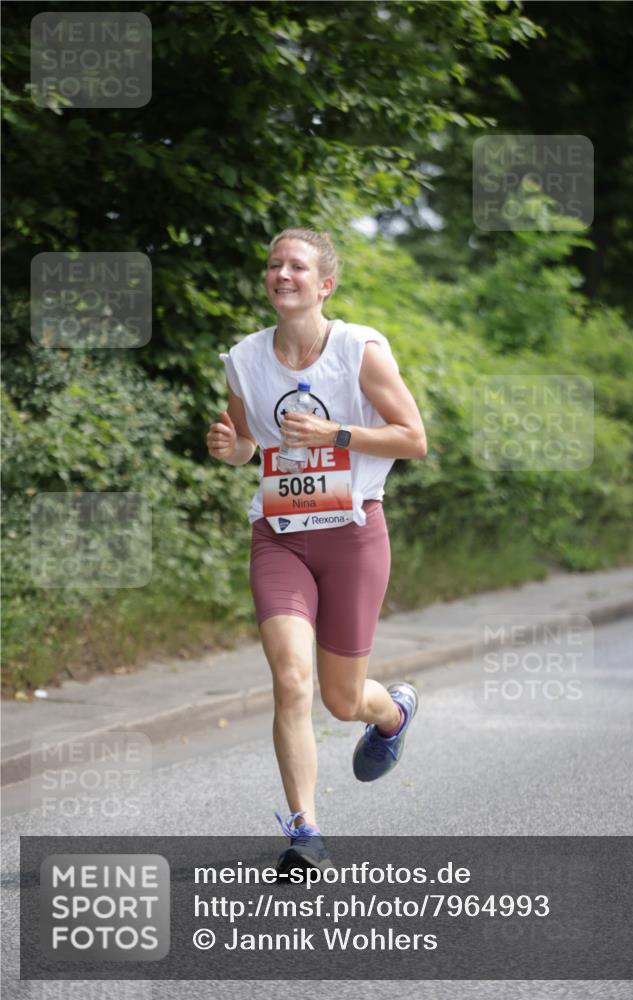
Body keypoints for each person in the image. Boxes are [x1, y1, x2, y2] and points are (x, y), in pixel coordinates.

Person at [207, 228, 427, 872]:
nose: (282, 274)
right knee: (290, 679)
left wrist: (337, 434)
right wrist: (230, 448)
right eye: (274, 264)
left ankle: (392, 713)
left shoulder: (359, 350)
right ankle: (306, 831)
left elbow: (413, 438)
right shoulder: (245, 358)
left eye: (297, 266)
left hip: (353, 536)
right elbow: (247, 442)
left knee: (341, 700)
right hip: (280, 537)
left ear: (324, 285)